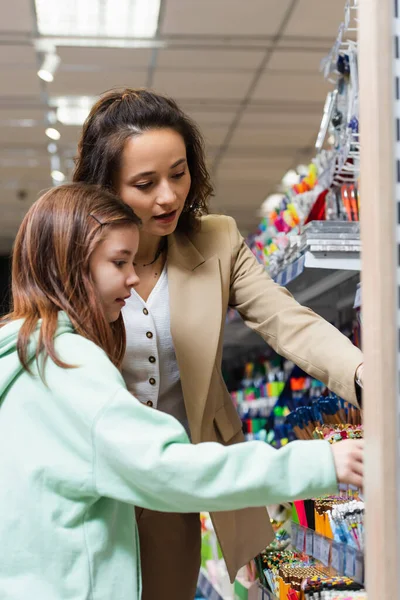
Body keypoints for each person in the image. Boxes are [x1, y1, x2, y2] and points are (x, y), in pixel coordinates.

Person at [0, 182, 363, 600]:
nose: (134, 278)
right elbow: (166, 468)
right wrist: (317, 463)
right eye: (119, 262)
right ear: (70, 267)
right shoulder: (72, 366)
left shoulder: (21, 354)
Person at [73, 89, 364, 599]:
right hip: (88, 487)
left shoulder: (217, 240)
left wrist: (366, 377)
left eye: (179, 173)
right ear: (105, 187)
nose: (168, 196)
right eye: (145, 183)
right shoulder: (70, 254)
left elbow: (287, 320)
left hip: (175, 485)